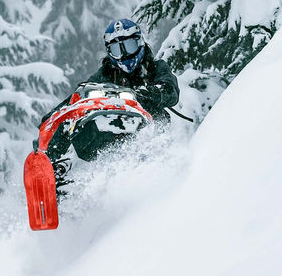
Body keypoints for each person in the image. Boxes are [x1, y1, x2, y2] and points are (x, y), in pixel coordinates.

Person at [39, 18, 181, 167]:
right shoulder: (105, 74)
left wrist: (143, 94)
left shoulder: (156, 67)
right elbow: (78, 96)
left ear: (140, 43)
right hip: (108, 137)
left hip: (149, 133)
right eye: (117, 50)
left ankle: (159, 160)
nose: (124, 54)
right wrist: (52, 118)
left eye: (129, 46)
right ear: (109, 51)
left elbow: (170, 91)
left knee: (156, 116)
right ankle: (50, 164)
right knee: (75, 117)